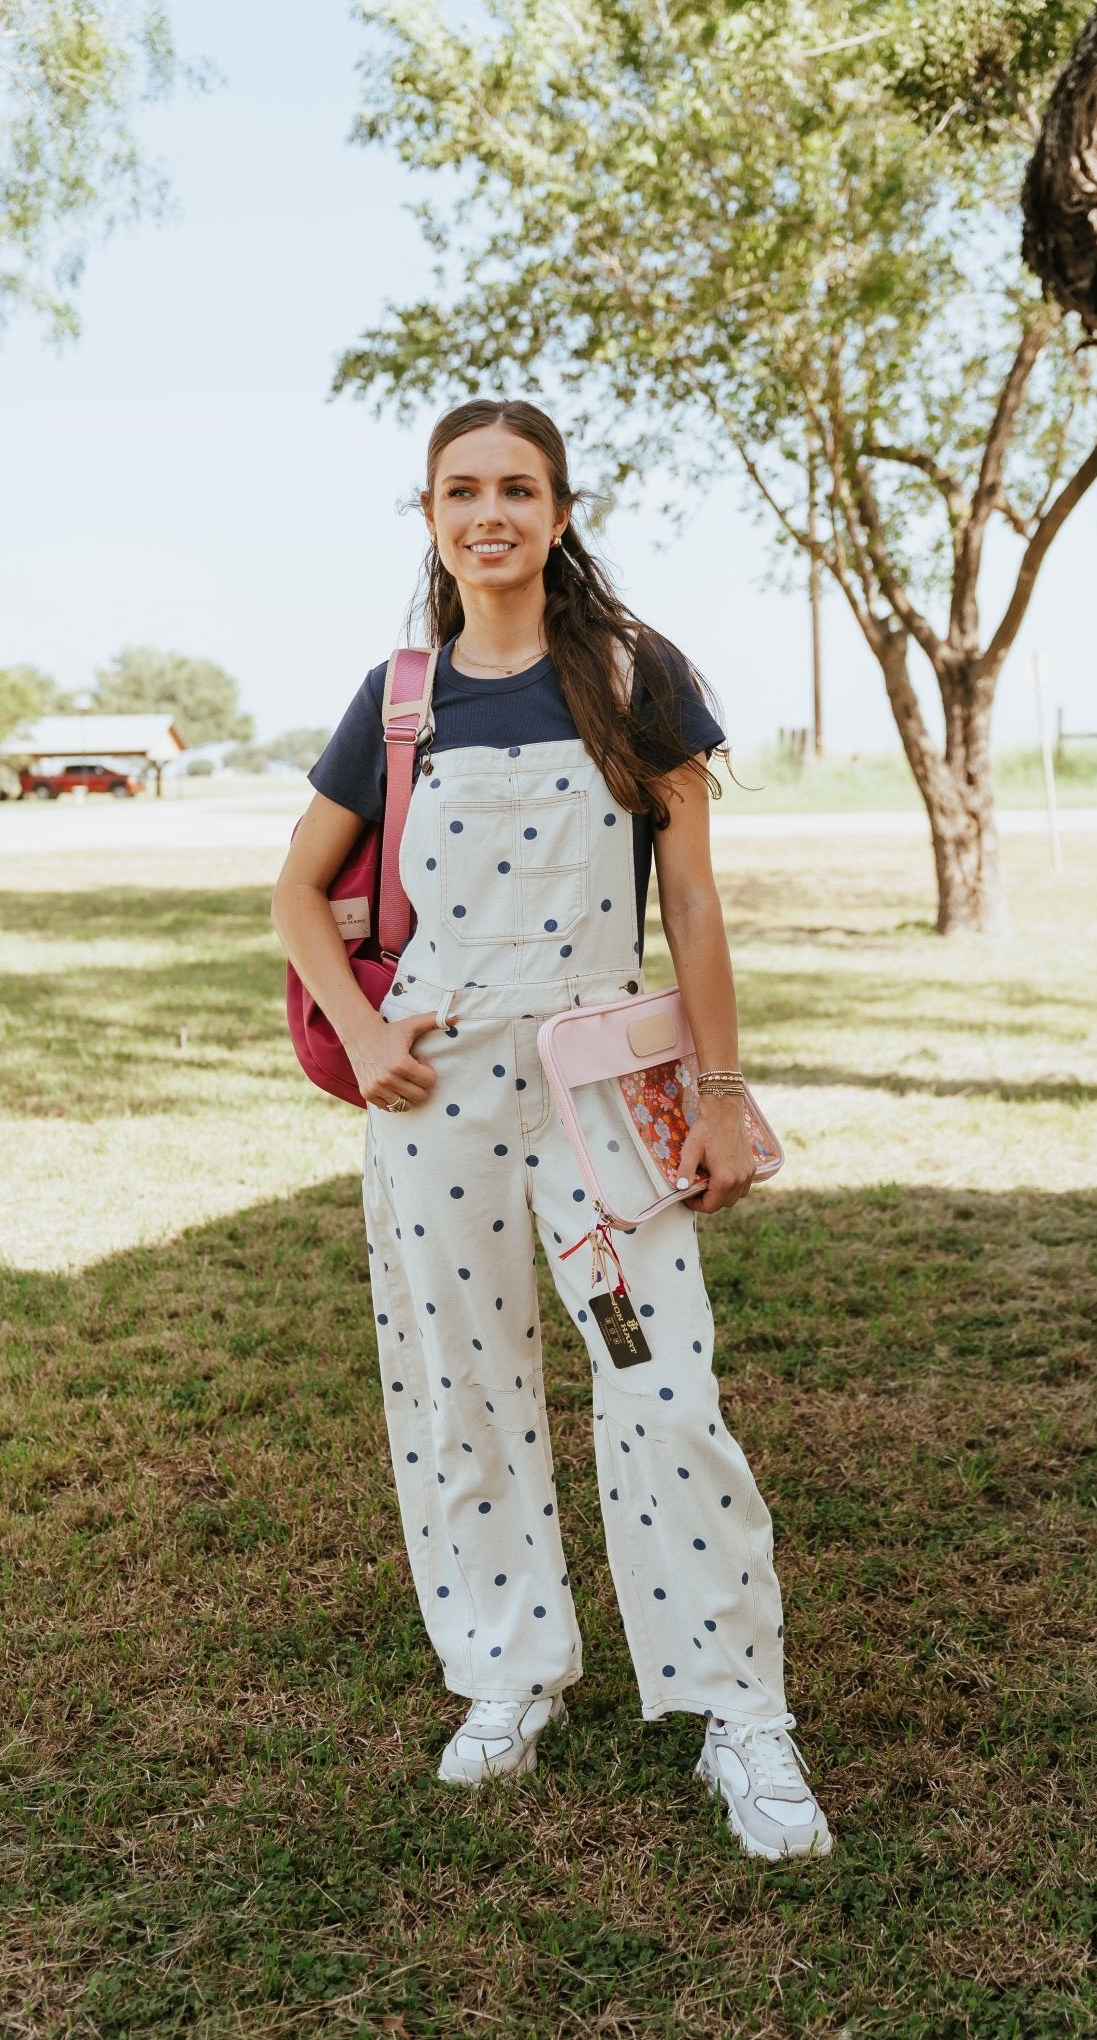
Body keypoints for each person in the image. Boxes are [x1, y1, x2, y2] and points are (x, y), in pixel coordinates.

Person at [271, 398, 831, 1862]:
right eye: (461, 490)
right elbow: (293, 893)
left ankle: (738, 1712)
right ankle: (505, 1672)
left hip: (604, 1085)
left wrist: (717, 1091)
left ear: (561, 512)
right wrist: (372, 1027)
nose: (489, 512)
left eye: (518, 487)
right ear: (431, 517)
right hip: (435, 1091)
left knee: (663, 1389)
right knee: (458, 1386)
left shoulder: (636, 675)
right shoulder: (398, 699)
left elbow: (694, 899)